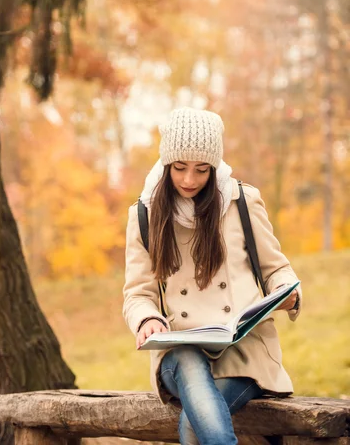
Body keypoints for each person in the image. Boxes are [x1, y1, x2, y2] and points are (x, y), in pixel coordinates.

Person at [123, 107, 301, 445]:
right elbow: (137, 294)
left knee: (195, 424)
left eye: (202, 170)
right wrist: (146, 319)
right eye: (179, 168)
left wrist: (285, 293)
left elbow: (277, 269)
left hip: (244, 352)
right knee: (189, 363)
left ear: (214, 167)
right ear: (165, 165)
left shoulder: (242, 202)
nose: (189, 180)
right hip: (181, 348)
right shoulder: (144, 215)